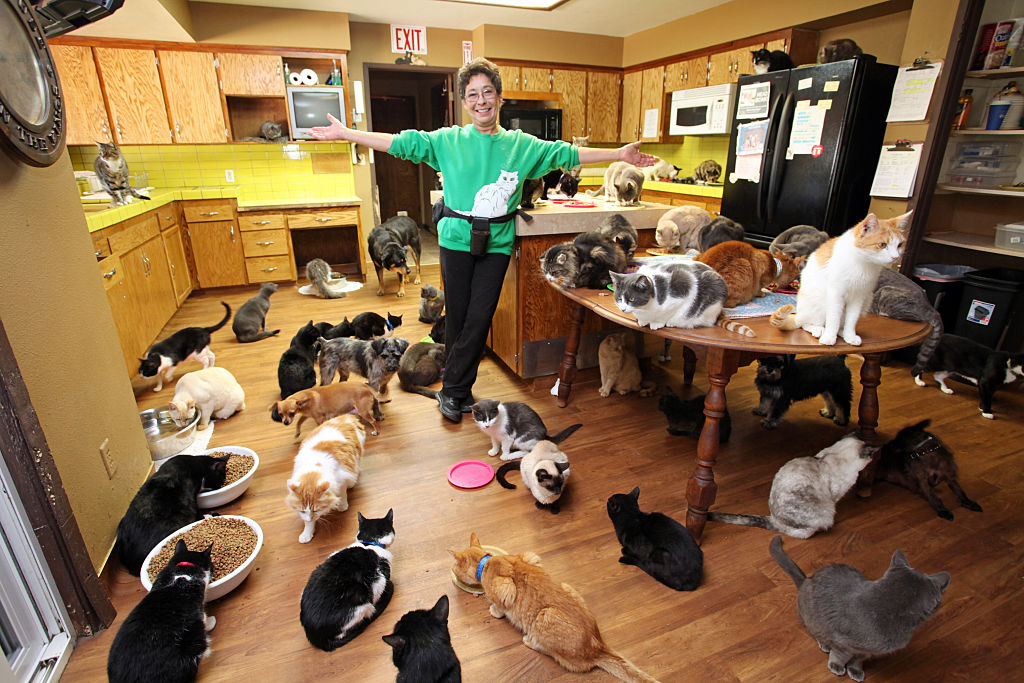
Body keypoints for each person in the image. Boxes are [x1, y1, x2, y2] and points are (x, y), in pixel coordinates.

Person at [310, 58, 654, 423]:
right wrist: (349, 134)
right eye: (472, 94)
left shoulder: (520, 145)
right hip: (456, 240)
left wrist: (618, 154)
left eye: (487, 92)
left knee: (479, 319)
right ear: (464, 101)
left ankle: (453, 390)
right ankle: (457, 389)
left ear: (499, 98)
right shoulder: (447, 140)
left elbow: (566, 152)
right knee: (458, 319)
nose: (481, 100)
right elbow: (399, 143)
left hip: (497, 243)